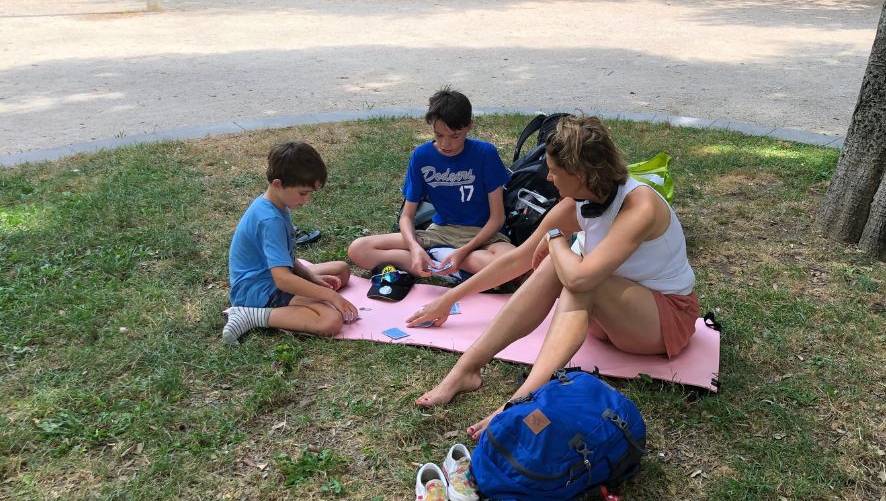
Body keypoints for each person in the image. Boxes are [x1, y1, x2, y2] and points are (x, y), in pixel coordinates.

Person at [408, 116, 699, 436]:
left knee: (576, 273)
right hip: (614, 320)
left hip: (664, 321)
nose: (548, 176)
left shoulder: (640, 206)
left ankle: (519, 401)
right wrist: (449, 299)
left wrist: (556, 239)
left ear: (581, 173)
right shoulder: (579, 201)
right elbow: (517, 260)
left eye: (555, 171)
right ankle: (466, 369)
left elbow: (578, 279)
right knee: (561, 265)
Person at [348, 87, 515, 278]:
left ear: (469, 126)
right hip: (440, 233)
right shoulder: (421, 156)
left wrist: (463, 251)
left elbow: (497, 218)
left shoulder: (485, 153)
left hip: (483, 236)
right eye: (439, 135)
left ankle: (441, 261)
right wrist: (414, 247)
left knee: (510, 261)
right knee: (359, 249)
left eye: (454, 136)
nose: (446, 144)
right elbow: (406, 216)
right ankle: (443, 263)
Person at [223, 142, 357, 345]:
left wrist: (311, 278)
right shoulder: (271, 220)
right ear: (278, 184)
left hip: (270, 276)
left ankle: (299, 296)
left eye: (311, 193)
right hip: (258, 291)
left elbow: (286, 257)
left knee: (341, 270)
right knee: (330, 320)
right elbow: (283, 280)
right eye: (303, 193)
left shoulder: (275, 204)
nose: (307, 200)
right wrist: (330, 296)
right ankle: (248, 315)